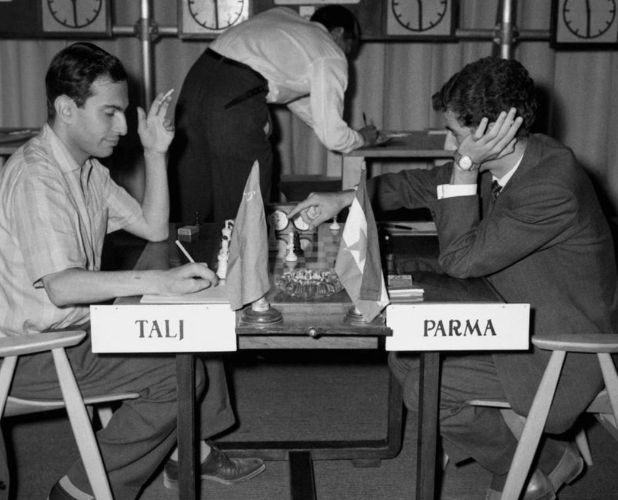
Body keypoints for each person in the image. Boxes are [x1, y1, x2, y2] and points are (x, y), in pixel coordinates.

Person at [290, 56, 618, 499]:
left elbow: (460, 260)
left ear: (494, 133)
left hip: (560, 348)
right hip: (508, 306)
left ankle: (534, 467)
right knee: (404, 347)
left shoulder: (550, 186)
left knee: (425, 386)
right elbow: (419, 184)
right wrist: (344, 198)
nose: (449, 144)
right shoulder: (520, 159)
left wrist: (465, 166)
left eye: (456, 134)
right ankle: (539, 455)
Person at [0, 42, 265, 500]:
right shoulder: (37, 177)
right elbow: (63, 288)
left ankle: (188, 452)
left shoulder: (86, 170)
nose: (122, 126)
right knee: (177, 376)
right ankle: (82, 491)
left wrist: (155, 152)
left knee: (199, 326)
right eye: (110, 113)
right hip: (30, 352)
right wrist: (159, 281)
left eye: (123, 113)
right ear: (66, 109)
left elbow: (153, 226)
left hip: (73, 331)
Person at [168, 5, 379, 225]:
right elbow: (333, 137)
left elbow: (298, 98)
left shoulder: (283, 17)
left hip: (197, 81)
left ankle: (183, 245)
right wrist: (362, 139)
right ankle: (240, 247)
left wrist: (339, 129)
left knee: (191, 196)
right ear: (339, 33)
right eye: (350, 44)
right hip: (235, 95)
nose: (348, 52)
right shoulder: (329, 52)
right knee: (245, 204)